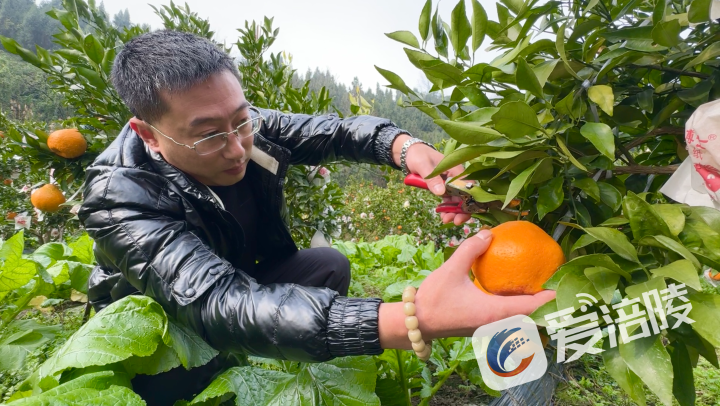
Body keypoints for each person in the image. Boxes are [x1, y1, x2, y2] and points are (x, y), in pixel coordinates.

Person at [77, 29, 555, 405]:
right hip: (163, 322)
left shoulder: (248, 129)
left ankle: (279, 353)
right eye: (207, 136)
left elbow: (340, 133)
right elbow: (214, 303)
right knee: (183, 379)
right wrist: (412, 319)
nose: (236, 147)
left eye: (241, 121)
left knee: (329, 266)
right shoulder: (118, 195)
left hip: (244, 273)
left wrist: (408, 149)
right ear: (150, 134)